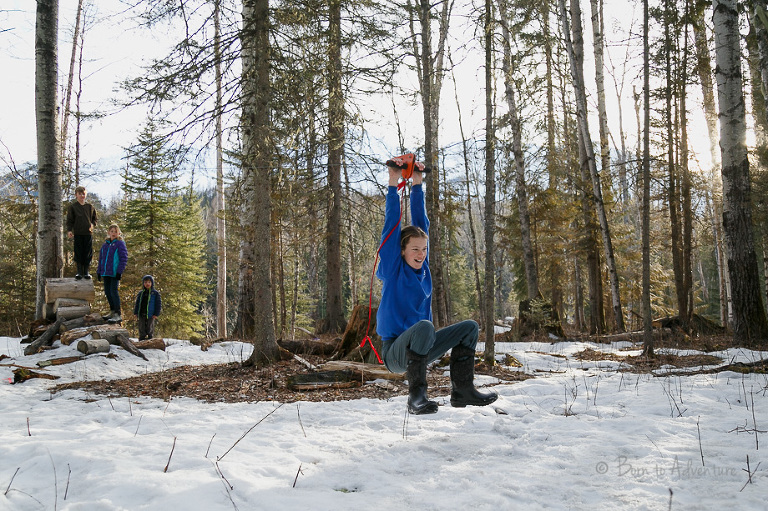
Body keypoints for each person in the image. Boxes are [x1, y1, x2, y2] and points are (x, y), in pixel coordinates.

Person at [377, 156, 498, 415]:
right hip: (395, 352)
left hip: (423, 345)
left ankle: (462, 391)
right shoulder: (393, 268)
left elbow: (422, 224)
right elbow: (391, 225)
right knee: (424, 326)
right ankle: (416, 398)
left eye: (424, 249)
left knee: (469, 328)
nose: (421, 254)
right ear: (401, 251)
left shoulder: (424, 268)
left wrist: (417, 183)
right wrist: (393, 182)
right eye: (414, 249)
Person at [96, 224, 128, 322]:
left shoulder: (120, 244)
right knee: (107, 292)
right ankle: (112, 311)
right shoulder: (105, 245)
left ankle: (118, 314)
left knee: (113, 292)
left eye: (115, 231)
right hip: (106, 272)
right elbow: (101, 259)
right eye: (112, 231)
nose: (113, 233)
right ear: (108, 232)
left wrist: (119, 271)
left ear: (119, 233)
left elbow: (124, 258)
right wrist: (99, 271)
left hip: (114, 273)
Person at [66, 185, 98, 279]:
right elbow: (70, 220)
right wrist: (69, 230)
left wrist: (92, 225)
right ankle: (79, 272)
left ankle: (86, 271)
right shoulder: (73, 207)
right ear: (76, 195)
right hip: (78, 233)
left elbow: (94, 219)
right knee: (78, 252)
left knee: (87, 252)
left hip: (88, 233)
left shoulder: (90, 207)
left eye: (83, 194)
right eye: (80, 194)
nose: (82, 196)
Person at [134, 275, 162, 341]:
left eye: (149, 282)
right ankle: (141, 339)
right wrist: (135, 312)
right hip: (141, 313)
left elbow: (158, 304)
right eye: (145, 282)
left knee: (150, 327)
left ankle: (150, 339)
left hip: (150, 314)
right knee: (141, 327)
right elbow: (137, 303)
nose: (147, 284)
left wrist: (156, 313)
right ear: (143, 283)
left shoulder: (155, 293)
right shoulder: (141, 293)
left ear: (152, 283)